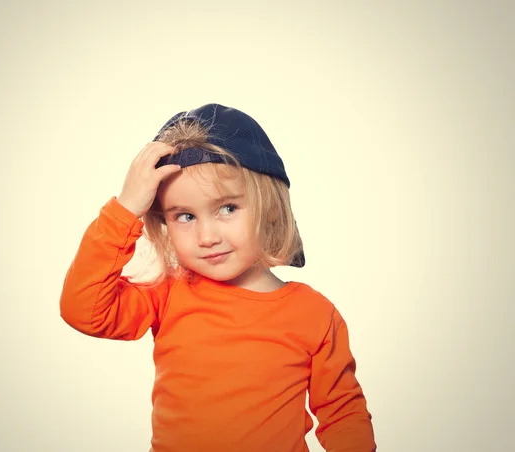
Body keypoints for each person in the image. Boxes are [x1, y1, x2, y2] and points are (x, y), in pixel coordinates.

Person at [59, 103, 376, 451]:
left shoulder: (314, 313)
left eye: (227, 208)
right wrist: (126, 208)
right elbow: (83, 309)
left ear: (270, 208)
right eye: (184, 216)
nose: (207, 236)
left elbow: (342, 414)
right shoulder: (167, 294)